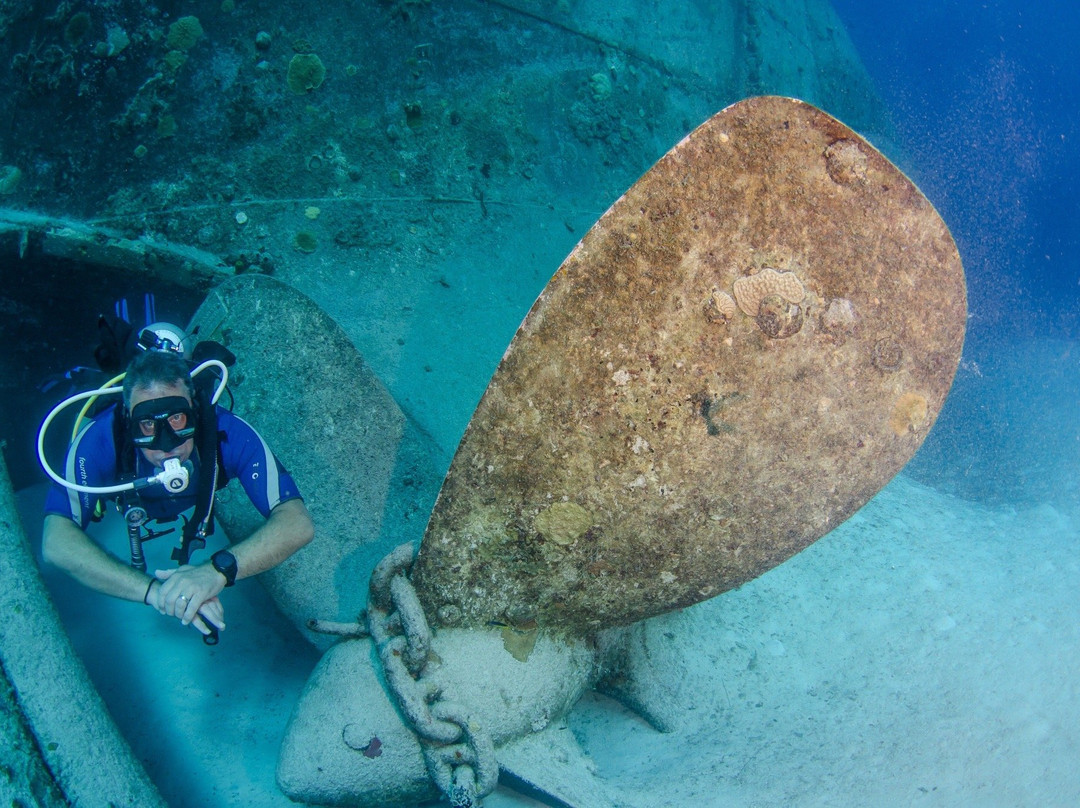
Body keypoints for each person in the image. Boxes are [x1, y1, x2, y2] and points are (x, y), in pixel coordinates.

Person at [41, 347, 314, 639]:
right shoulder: (99, 441)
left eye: (177, 420)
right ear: (127, 419)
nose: (166, 445)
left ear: (195, 409)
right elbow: (55, 543)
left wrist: (215, 572)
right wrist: (158, 593)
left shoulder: (227, 434)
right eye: (147, 424)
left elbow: (297, 523)